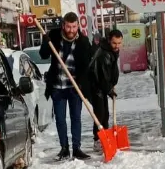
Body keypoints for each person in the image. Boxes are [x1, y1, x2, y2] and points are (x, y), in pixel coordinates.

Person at [40, 12, 93, 160]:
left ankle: (76, 148)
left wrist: (81, 79)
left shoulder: (83, 41)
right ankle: (64, 148)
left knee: (76, 118)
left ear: (78, 26)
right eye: (68, 26)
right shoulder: (54, 36)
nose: (71, 30)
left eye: (74, 27)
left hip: (74, 87)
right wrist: (45, 42)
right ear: (63, 25)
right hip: (57, 86)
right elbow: (43, 55)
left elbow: (87, 64)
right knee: (60, 119)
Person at [88, 28, 123, 148]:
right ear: (109, 41)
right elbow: (102, 76)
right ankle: (98, 140)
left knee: (105, 114)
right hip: (96, 86)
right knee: (100, 113)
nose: (116, 46)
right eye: (114, 43)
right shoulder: (104, 54)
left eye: (119, 43)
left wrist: (112, 83)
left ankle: (106, 137)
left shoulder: (111, 51)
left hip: (103, 86)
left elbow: (112, 70)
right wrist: (109, 90)